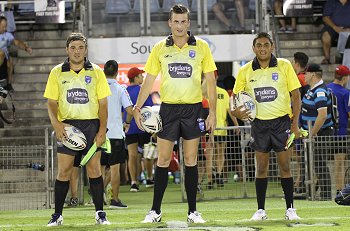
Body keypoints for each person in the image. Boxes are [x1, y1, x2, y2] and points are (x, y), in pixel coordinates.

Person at [133, 4, 217, 223]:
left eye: (183, 21)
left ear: (188, 23)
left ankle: (192, 212)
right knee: (162, 159)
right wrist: (137, 107)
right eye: (176, 21)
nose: (179, 26)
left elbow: (211, 81)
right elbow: (149, 80)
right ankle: (155, 211)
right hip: (168, 109)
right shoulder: (160, 47)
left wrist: (213, 113)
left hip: (193, 109)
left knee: (190, 159)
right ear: (169, 23)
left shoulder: (201, 47)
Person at [232, 32, 301, 220]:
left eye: (266, 45)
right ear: (254, 48)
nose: (262, 48)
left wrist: (295, 125)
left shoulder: (284, 65)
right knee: (261, 167)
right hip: (259, 124)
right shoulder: (245, 70)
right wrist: (237, 112)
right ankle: (261, 210)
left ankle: (290, 209)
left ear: (272, 47)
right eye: (259, 45)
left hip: (282, 123)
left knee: (285, 165)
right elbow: (235, 100)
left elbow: (296, 96)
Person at [44, 32, 111, 226]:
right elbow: (51, 103)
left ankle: (100, 213)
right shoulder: (57, 72)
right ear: (67, 50)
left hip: (92, 125)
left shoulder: (96, 72)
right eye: (73, 47)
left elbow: (103, 104)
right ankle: (57, 215)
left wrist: (102, 130)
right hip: (68, 126)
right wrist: (57, 124)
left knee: (94, 169)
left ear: (86, 50)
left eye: (80, 47)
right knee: (64, 170)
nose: (77, 51)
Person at [101, 59, 133, 208]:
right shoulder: (120, 89)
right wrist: (126, 123)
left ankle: (97, 197)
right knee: (114, 169)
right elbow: (129, 110)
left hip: (100, 134)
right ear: (117, 72)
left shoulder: (98, 88)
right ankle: (115, 199)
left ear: (103, 72)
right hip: (115, 134)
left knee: (99, 168)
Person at [301, 63, 333, 200]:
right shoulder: (312, 89)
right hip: (314, 132)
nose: (304, 76)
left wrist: (313, 133)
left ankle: (325, 195)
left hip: (320, 133)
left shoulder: (319, 91)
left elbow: (322, 115)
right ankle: (314, 192)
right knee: (315, 163)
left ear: (313, 75)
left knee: (320, 164)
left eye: (306, 73)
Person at [125, 67, 154, 192]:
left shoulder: (124, 91)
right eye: (141, 76)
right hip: (144, 126)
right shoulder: (143, 90)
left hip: (130, 127)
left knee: (132, 155)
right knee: (147, 153)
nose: (142, 77)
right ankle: (149, 178)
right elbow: (149, 109)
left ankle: (134, 182)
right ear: (136, 77)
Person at [327, 65, 350, 195]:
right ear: (345, 77)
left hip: (325, 130)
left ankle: (319, 187)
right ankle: (339, 190)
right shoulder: (345, 93)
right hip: (340, 132)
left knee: (319, 161)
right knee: (339, 162)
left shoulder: (326, 88)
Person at [0, 15, 32, 91]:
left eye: (5, 26)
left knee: (9, 60)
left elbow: (17, 42)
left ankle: (9, 84)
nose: (4, 28)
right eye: (2, 26)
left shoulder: (7, 35)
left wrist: (26, 48)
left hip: (4, 60)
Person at [320, 0, 350, 64]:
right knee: (326, 35)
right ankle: (327, 58)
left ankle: (344, 59)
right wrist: (335, 27)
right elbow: (325, 17)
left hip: (348, 29)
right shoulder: (331, 2)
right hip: (333, 28)